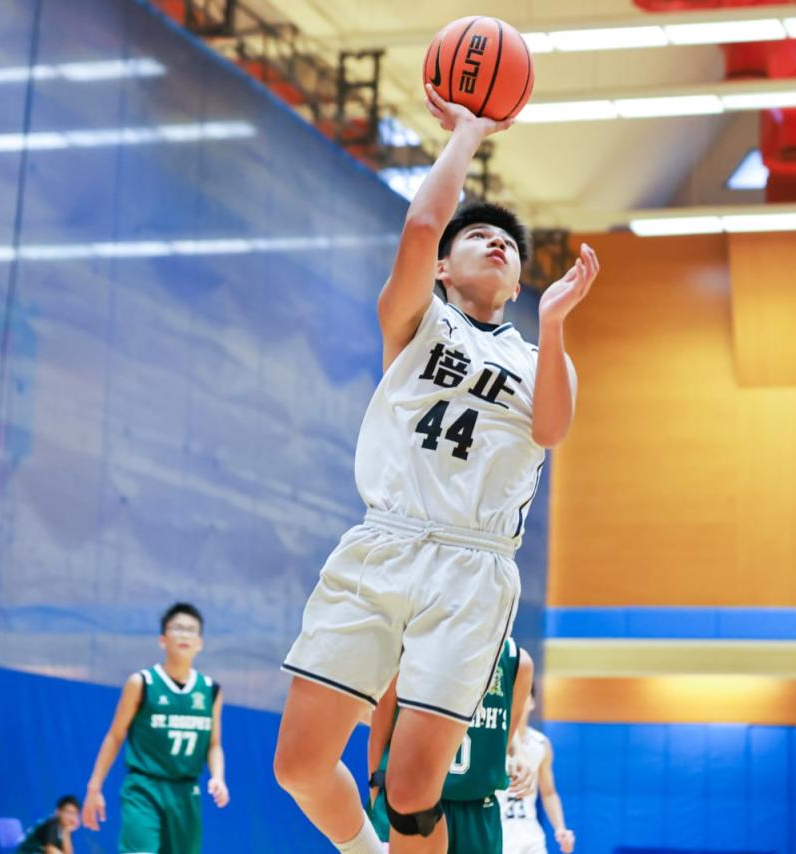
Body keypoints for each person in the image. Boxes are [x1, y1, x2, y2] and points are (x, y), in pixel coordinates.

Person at [272, 80, 599, 854]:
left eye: (510, 246)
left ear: (519, 283)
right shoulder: (417, 324)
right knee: (299, 766)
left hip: (473, 568)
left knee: (414, 791)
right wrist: (467, 134)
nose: (498, 243)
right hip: (384, 541)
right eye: (478, 236)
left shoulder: (538, 359)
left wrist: (555, 322)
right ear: (443, 269)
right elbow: (423, 223)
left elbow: (552, 429)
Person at [82, 602, 229, 854]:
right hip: (144, 788)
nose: (184, 635)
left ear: (200, 643)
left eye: (191, 630)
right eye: (177, 628)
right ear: (163, 639)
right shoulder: (142, 682)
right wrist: (94, 788)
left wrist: (218, 777)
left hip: (186, 792)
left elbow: (214, 744)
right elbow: (115, 736)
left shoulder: (210, 690)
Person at [366, 640, 534, 852]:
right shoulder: (414, 643)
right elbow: (379, 734)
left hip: (478, 813)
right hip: (410, 802)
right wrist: (377, 799)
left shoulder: (516, 661)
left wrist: (518, 752)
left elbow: (504, 739)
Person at [496, 688, 575, 854]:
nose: (517, 702)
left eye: (522, 696)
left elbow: (549, 793)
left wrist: (560, 828)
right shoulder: (493, 741)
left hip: (531, 835)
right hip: (498, 831)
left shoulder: (541, 743)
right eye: (513, 697)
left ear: (532, 702)